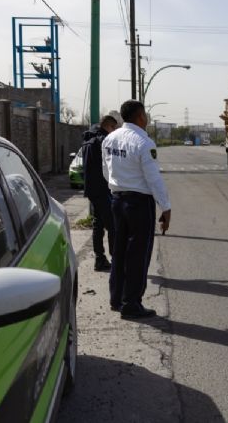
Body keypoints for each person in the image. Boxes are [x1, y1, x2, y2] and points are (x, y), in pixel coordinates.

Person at [102, 100, 172, 319]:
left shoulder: (110, 138)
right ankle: (131, 303)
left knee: (120, 251)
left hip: (116, 200)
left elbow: (106, 171)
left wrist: (118, 186)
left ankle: (117, 298)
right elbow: (154, 179)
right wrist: (166, 207)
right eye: (146, 115)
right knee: (138, 255)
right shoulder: (144, 142)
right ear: (141, 117)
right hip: (139, 204)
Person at [82, 115, 119, 272]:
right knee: (113, 225)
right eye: (114, 128)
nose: (114, 132)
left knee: (98, 224)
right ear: (109, 126)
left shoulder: (88, 140)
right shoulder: (104, 141)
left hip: (91, 189)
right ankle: (115, 259)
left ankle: (100, 259)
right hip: (104, 189)